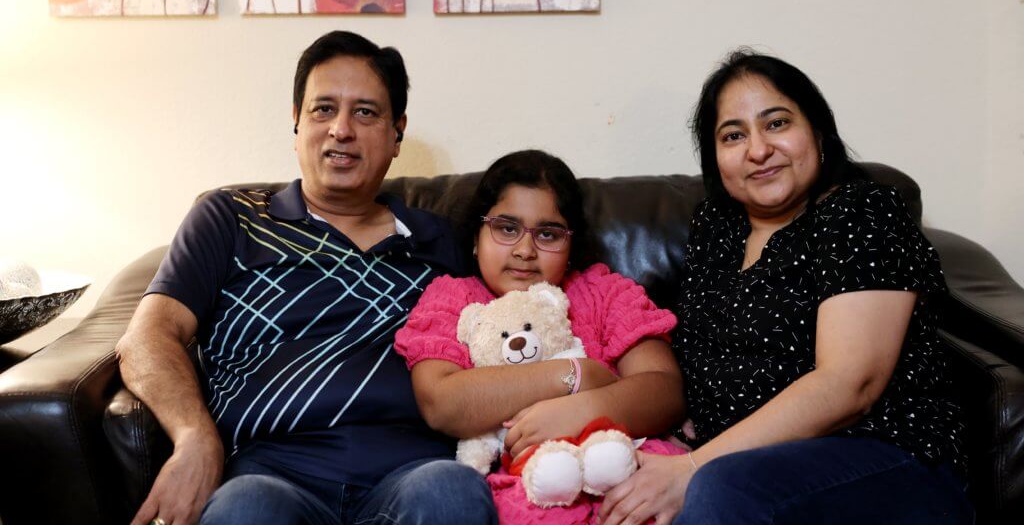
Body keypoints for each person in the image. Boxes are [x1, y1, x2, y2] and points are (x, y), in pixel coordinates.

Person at [115, 31, 496, 525]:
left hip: (414, 470)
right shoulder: (231, 218)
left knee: (452, 492)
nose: (341, 129)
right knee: (245, 508)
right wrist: (194, 437)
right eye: (322, 109)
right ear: (295, 122)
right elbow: (147, 337)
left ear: (397, 132)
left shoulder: (444, 241)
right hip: (271, 472)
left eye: (366, 112)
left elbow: (538, 328)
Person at [598, 50, 973, 525]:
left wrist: (693, 467)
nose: (757, 150)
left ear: (817, 132)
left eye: (776, 124)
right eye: (733, 135)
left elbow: (848, 385)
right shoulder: (716, 226)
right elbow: (693, 358)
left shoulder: (862, 213)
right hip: (739, 462)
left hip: (884, 458)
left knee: (721, 489)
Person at [394, 149, 687, 524]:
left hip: (625, 473)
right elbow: (443, 402)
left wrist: (578, 411)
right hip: (528, 489)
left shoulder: (602, 291)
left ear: (571, 244)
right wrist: (575, 375)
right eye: (506, 227)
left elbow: (664, 391)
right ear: (476, 235)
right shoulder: (452, 299)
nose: (524, 250)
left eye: (547, 234)